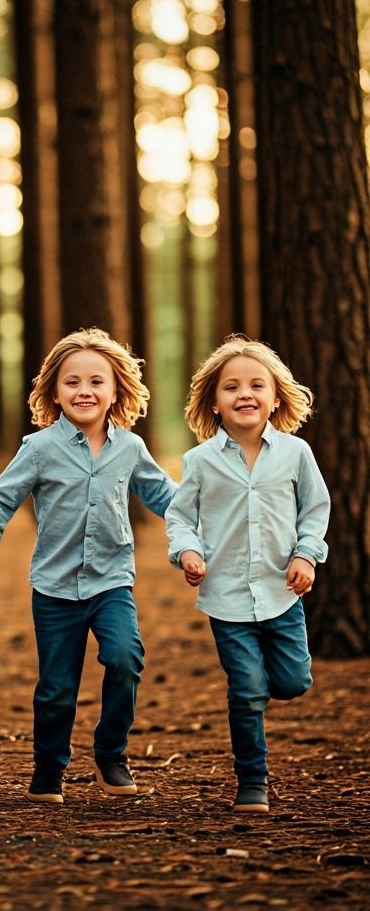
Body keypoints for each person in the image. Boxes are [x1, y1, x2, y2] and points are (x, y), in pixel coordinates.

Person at [0, 328, 176, 804]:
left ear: (116, 389)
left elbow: (166, 499)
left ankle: (111, 754)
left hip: (112, 581)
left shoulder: (130, 448)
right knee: (57, 687)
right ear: (54, 391)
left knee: (124, 659)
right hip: (54, 589)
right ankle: (49, 767)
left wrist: (206, 532)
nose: (84, 391)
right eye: (72, 382)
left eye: (96, 381)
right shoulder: (39, 448)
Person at [165, 336, 329, 814]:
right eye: (231, 387)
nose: (245, 394)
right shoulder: (199, 462)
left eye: (257, 385)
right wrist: (188, 551)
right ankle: (252, 780)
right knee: (247, 690)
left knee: (294, 682)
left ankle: (265, 686)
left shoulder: (296, 454)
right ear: (214, 402)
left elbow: (315, 509)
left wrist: (306, 555)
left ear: (276, 397)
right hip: (227, 597)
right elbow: (179, 517)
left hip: (282, 591)